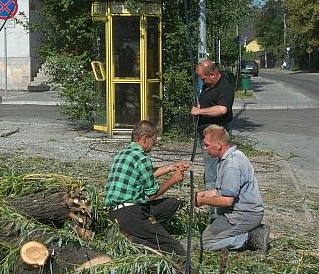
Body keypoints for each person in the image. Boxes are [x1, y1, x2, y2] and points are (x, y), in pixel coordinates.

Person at [105, 120, 189, 257]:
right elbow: (152, 194)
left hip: (114, 213)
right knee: (175, 249)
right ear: (145, 138)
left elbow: (143, 175)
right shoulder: (142, 157)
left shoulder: (122, 154)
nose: (153, 145)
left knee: (171, 204)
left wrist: (169, 168)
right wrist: (173, 180)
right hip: (131, 213)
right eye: (154, 141)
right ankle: (136, 240)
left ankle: (145, 230)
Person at [195, 125, 269, 253]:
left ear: (218, 144)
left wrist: (202, 200)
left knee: (205, 245)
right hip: (235, 212)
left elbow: (227, 200)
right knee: (206, 238)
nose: (205, 148)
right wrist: (203, 194)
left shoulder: (231, 165)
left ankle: (250, 236)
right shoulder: (229, 157)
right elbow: (222, 191)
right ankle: (244, 233)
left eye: (207, 145)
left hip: (244, 214)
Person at [191, 60, 234, 190]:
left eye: (203, 78)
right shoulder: (208, 85)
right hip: (204, 132)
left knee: (212, 171)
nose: (202, 81)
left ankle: (213, 205)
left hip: (215, 135)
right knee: (210, 167)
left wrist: (200, 111)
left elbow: (222, 109)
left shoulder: (224, 87)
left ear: (213, 75)